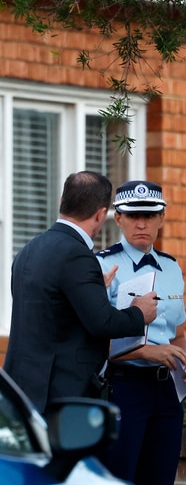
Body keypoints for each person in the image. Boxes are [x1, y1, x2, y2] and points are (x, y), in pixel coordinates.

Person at [4, 171, 158, 414]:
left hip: (21, 388)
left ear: (62, 202)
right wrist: (140, 313)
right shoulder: (77, 255)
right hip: (61, 392)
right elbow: (102, 323)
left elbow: (49, 307)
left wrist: (96, 290)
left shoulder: (29, 249)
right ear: (100, 214)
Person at [96, 180, 186, 485]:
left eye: (149, 216)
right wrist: (147, 352)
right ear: (119, 219)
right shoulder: (103, 265)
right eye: (133, 216)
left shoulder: (171, 267)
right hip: (126, 387)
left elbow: (177, 331)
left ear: (162, 218)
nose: (142, 224)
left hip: (167, 390)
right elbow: (96, 337)